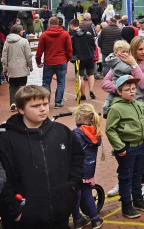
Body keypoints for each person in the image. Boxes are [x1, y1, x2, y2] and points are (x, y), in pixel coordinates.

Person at [0, 86, 84, 228]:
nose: (43, 109)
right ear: (21, 109)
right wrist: (15, 210)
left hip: (60, 215)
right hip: (23, 220)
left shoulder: (62, 132)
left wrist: (72, 188)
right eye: (35, 106)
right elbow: (3, 181)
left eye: (45, 104)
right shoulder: (6, 140)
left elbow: (78, 159)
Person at [106, 74, 144, 218]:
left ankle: (138, 200)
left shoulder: (139, 105)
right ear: (119, 92)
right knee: (126, 177)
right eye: (127, 89)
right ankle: (126, 205)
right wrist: (120, 147)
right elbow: (110, 129)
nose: (132, 91)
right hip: (126, 149)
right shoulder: (116, 108)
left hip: (140, 147)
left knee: (138, 175)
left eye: (133, 88)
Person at [71, 104, 104, 228]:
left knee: (76, 195)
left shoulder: (76, 134)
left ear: (79, 117)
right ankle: (95, 219)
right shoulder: (96, 132)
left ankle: (77, 219)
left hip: (77, 170)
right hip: (89, 170)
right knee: (87, 193)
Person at [35, 16, 73, 107]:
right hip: (61, 60)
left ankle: (46, 101)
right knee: (61, 82)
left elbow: (39, 51)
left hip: (48, 62)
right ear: (59, 23)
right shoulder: (65, 34)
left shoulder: (44, 35)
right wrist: (68, 58)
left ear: (49, 23)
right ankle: (58, 102)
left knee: (46, 83)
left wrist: (38, 61)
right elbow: (69, 49)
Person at [1, 24, 32, 111]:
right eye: (22, 30)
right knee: (22, 85)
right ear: (18, 31)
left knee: (12, 86)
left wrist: (5, 68)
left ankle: (13, 103)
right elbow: (28, 55)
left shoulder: (7, 42)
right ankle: (21, 103)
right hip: (22, 66)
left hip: (11, 67)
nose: (23, 31)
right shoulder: (24, 41)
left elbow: (4, 57)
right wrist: (30, 66)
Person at [69, 19, 97, 101]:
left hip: (78, 58)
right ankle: (91, 90)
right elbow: (93, 44)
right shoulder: (87, 33)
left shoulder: (71, 35)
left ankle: (83, 94)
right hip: (89, 56)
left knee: (80, 76)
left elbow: (70, 48)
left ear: (72, 26)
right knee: (90, 74)